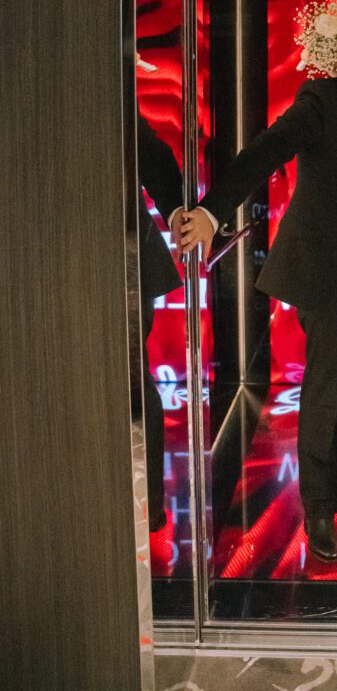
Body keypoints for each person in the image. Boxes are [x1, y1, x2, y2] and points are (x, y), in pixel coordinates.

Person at [178, 14, 337, 562]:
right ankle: (317, 506)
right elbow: (265, 152)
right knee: (327, 387)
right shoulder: (324, 100)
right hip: (327, 270)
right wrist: (213, 213)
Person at [136, 110, 184, 533]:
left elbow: (152, 155)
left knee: (133, 377)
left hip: (126, 256)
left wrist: (177, 215)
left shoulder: (98, 72)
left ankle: (147, 506)